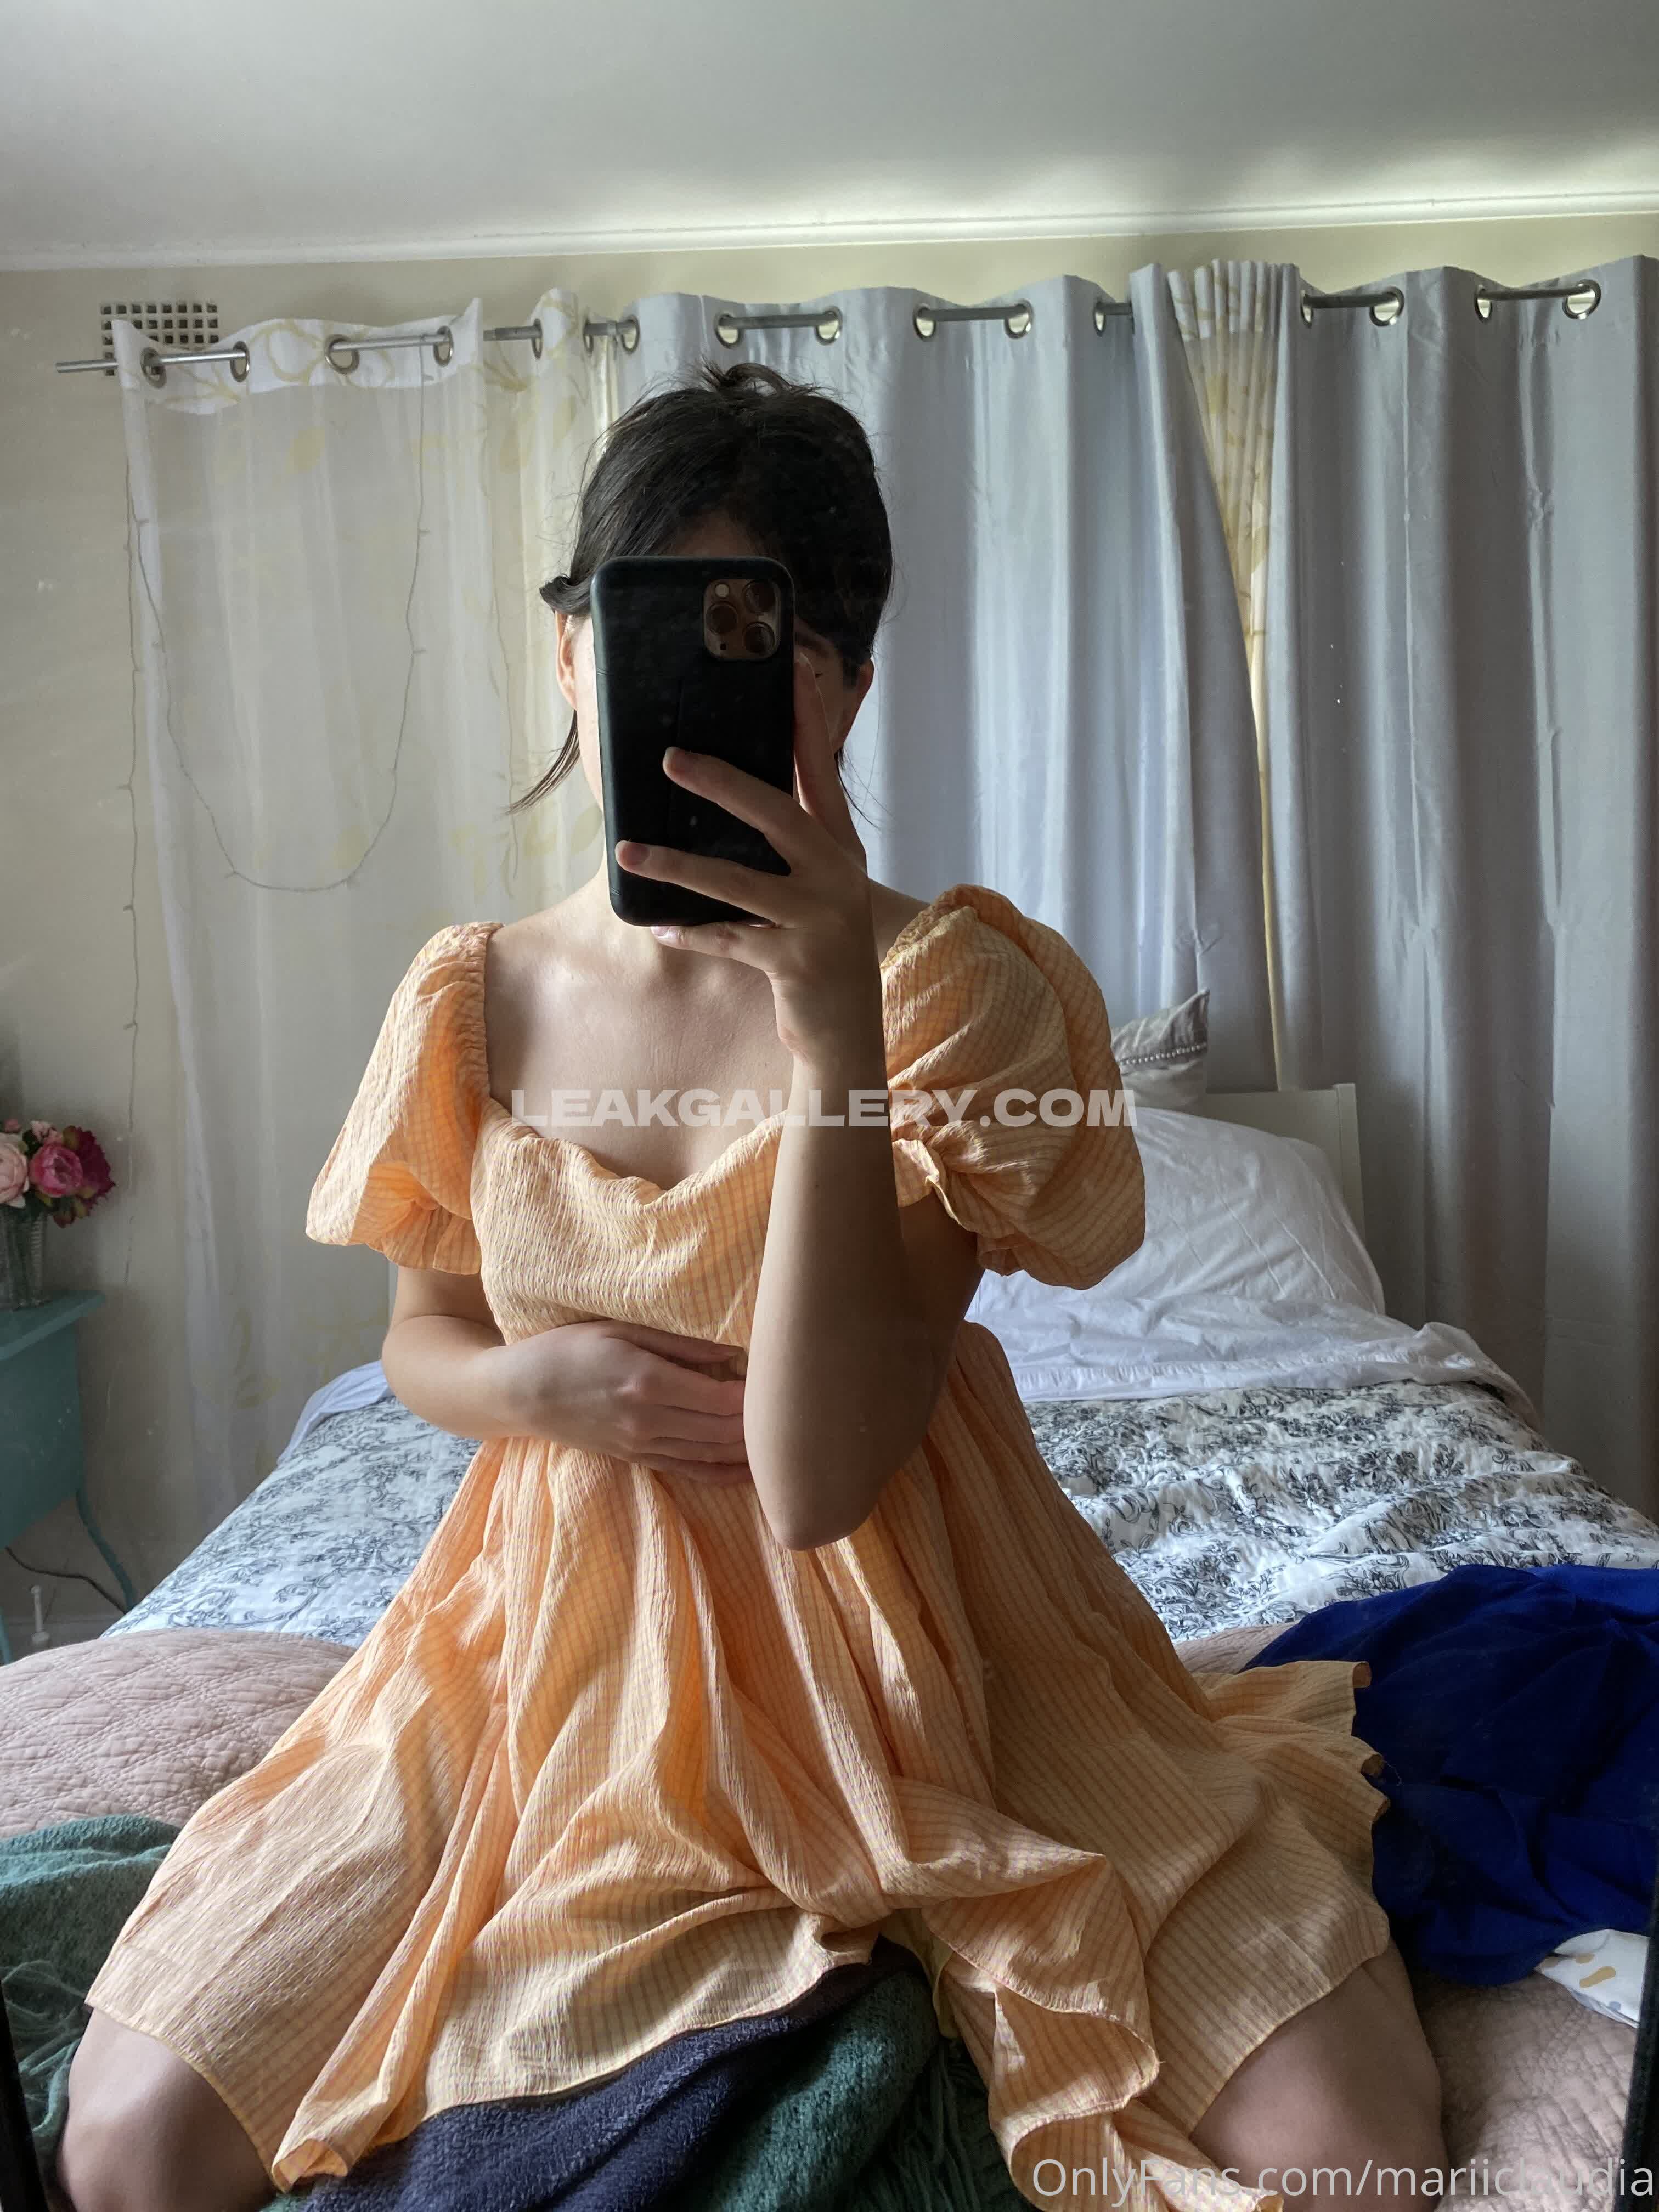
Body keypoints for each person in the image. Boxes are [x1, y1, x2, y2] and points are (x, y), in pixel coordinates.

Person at [59, 363, 1446, 2212]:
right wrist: (540, 1392)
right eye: (643, 621)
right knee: (129, 2149)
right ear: (572, 652)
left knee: (1362, 2155)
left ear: (848, 681)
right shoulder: (469, 996)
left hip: (931, 1633)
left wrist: (836, 1036)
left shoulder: (956, 994)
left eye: (761, 636)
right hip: (553, 1633)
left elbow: (816, 1479)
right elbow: (421, 1336)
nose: (690, 679)